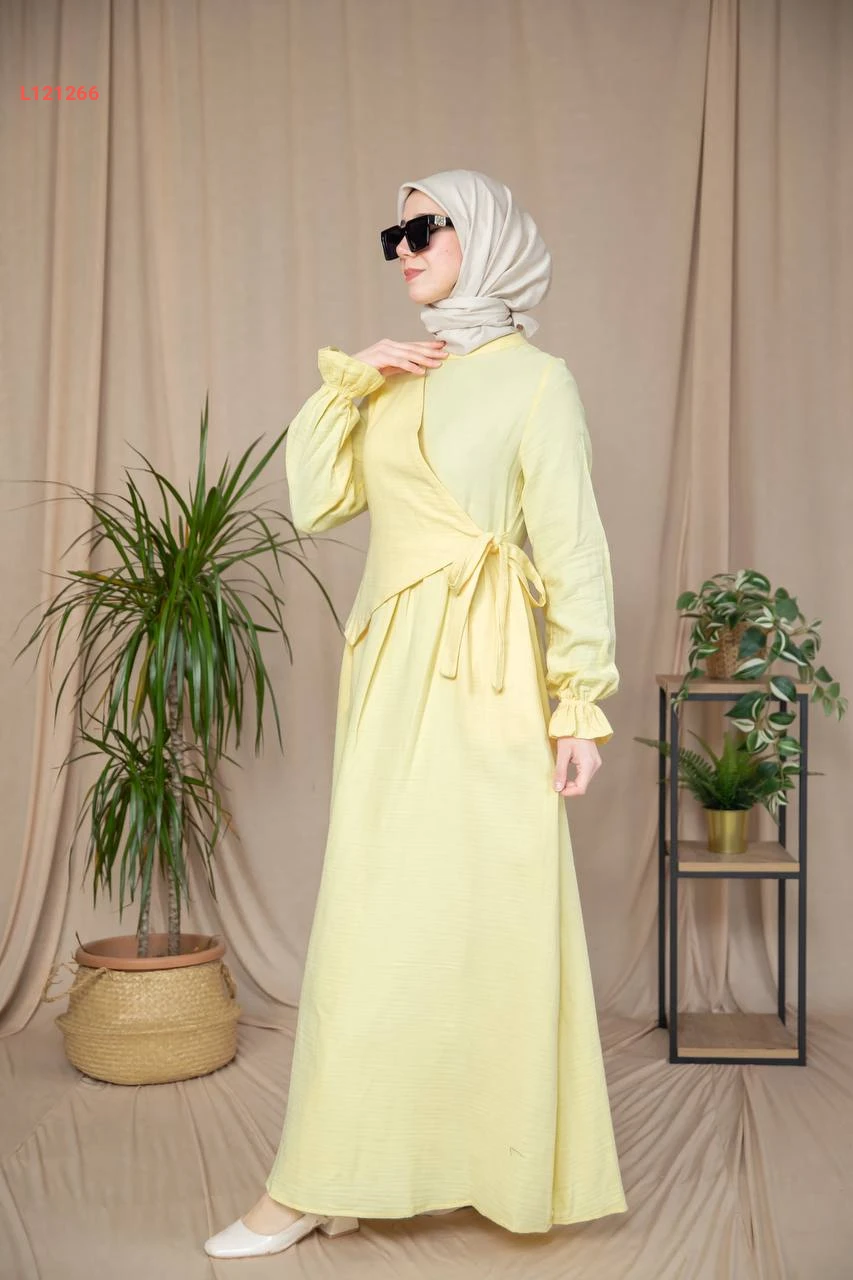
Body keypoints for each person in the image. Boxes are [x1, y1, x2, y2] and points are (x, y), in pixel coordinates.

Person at [204, 168, 627, 1260]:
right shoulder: (397, 378)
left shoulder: (538, 382)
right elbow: (314, 501)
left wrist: (577, 706)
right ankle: (331, 1173)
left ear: (482, 237)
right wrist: (353, 382)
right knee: (375, 920)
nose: (403, 250)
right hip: (390, 671)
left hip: (488, 673)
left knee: (488, 921)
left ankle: (484, 1165)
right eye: (391, 235)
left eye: (423, 228)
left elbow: (572, 546)